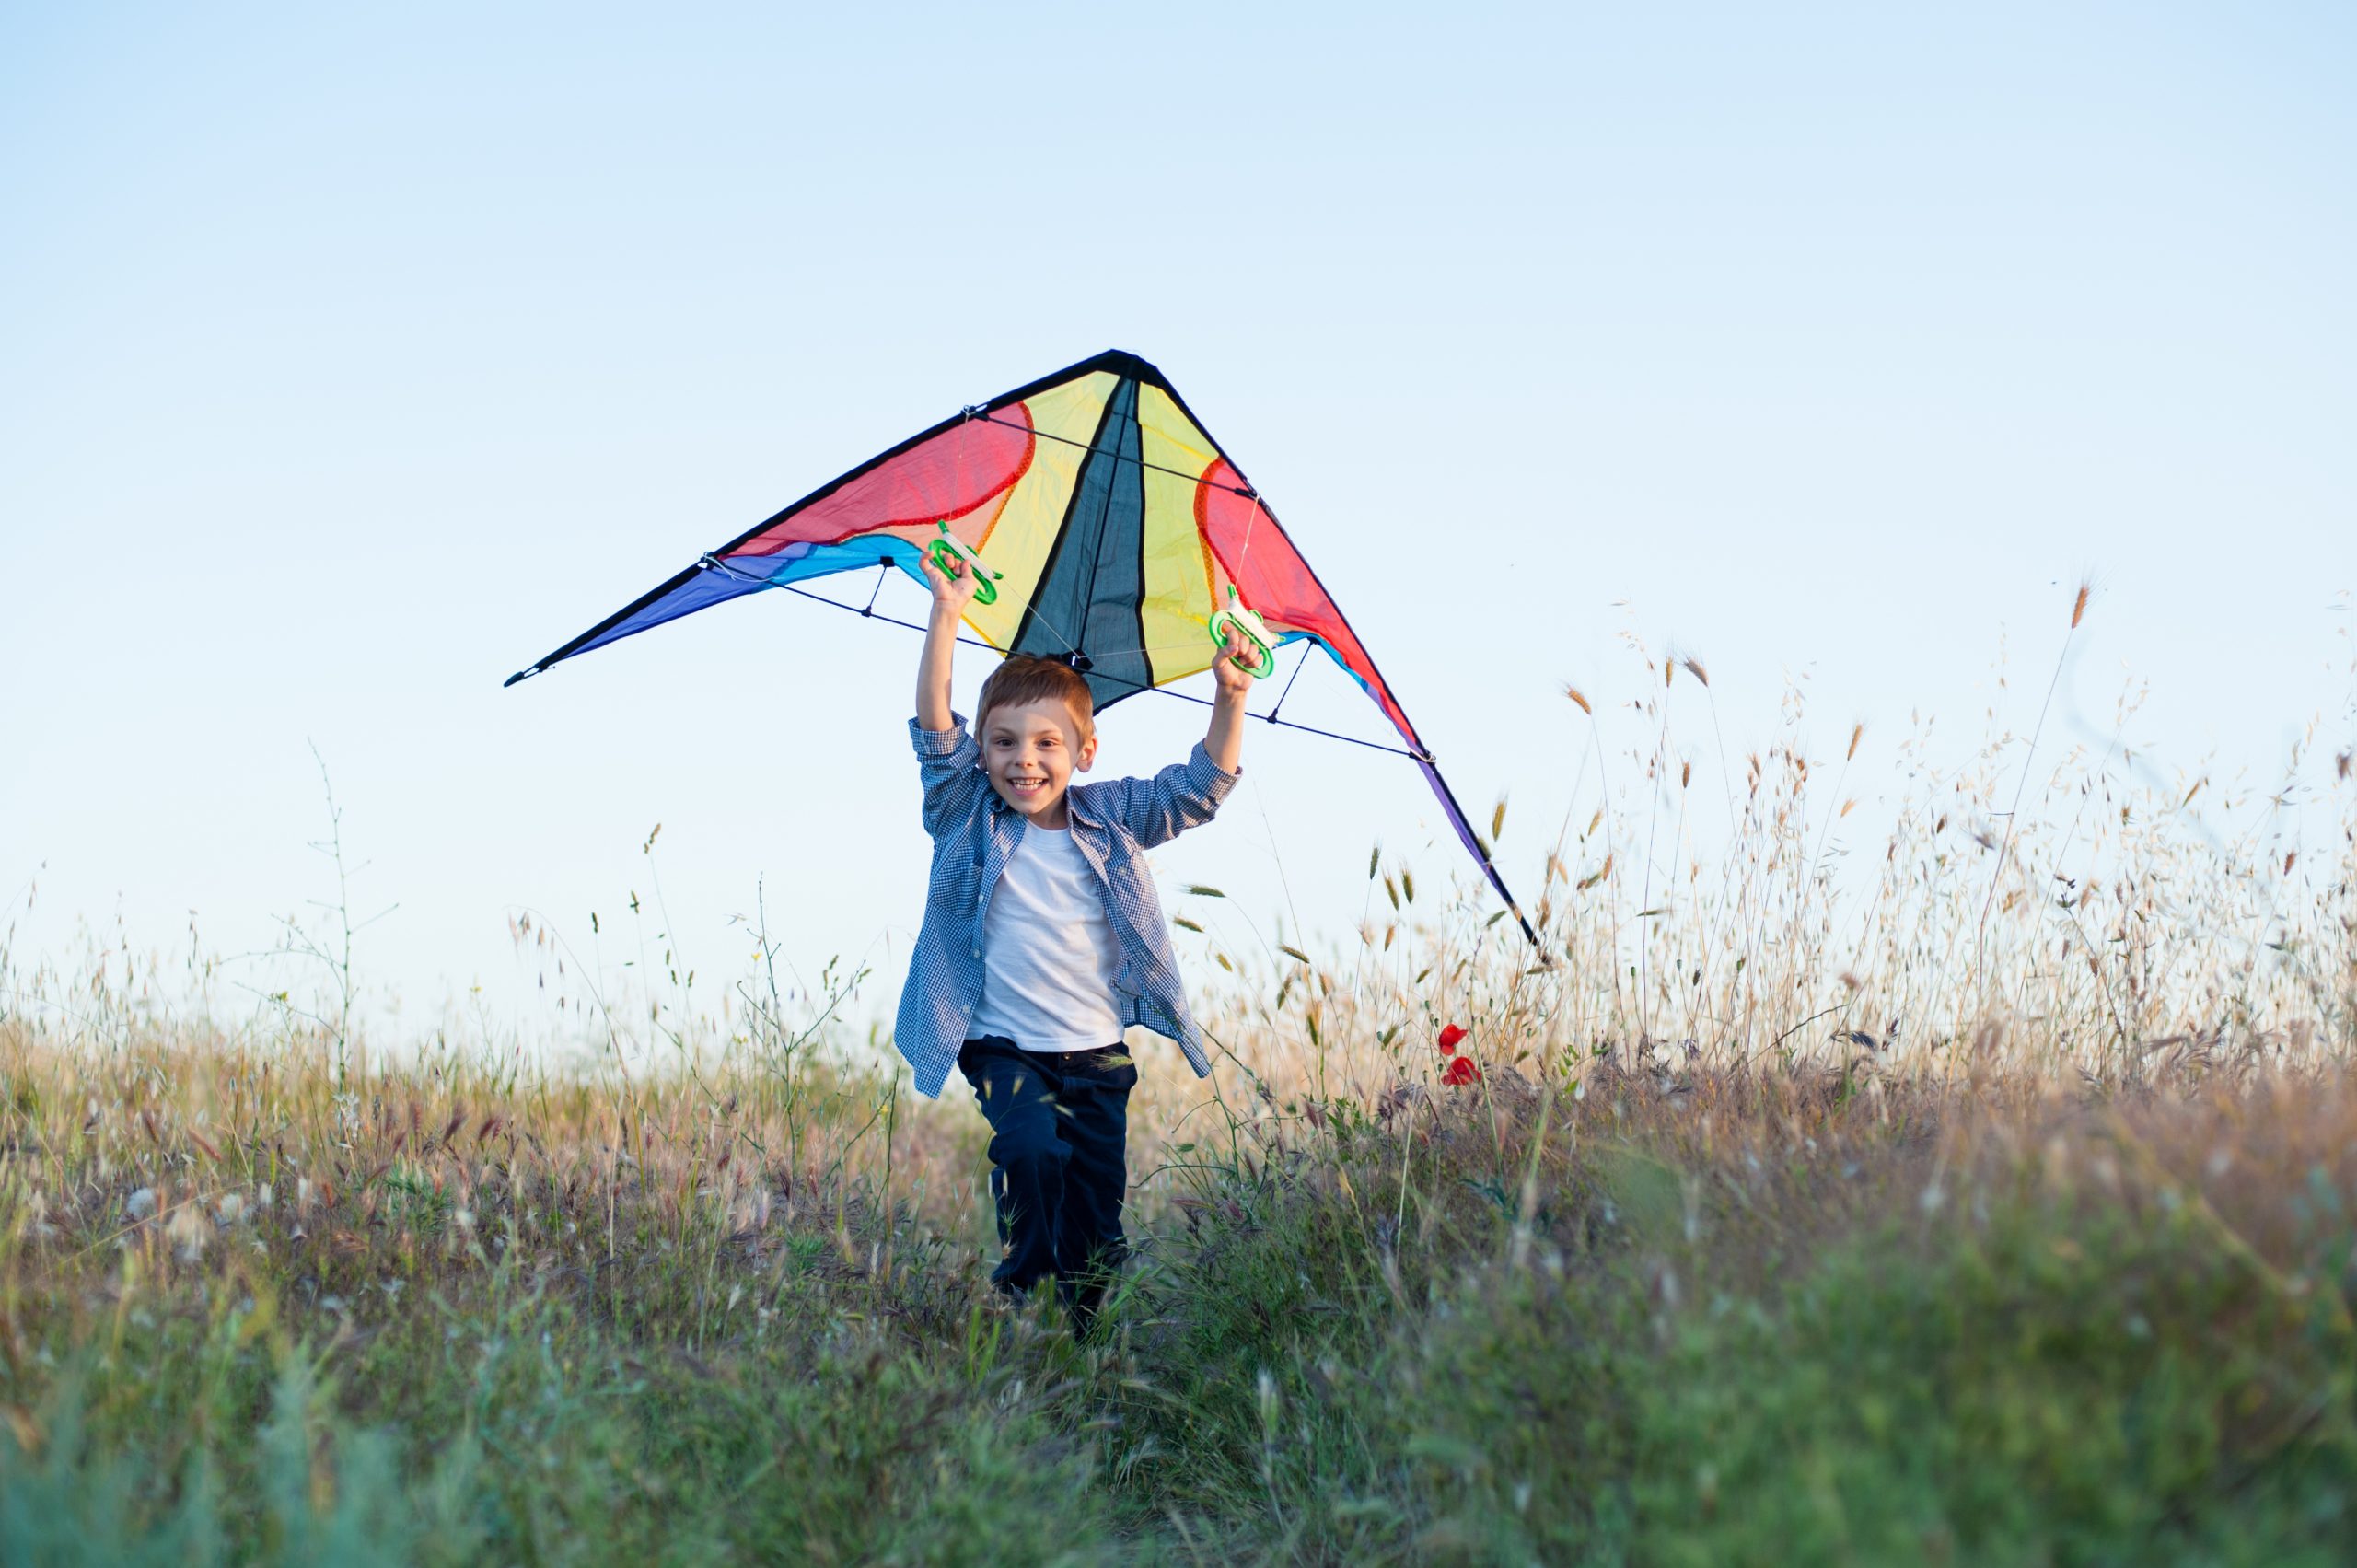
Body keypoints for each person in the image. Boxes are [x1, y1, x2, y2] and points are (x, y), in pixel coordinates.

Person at [898, 542, 1255, 1330]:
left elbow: (1199, 790)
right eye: (1003, 742)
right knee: (1028, 1151)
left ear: (1084, 751)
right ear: (983, 751)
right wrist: (947, 612)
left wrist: (1228, 695)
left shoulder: (1112, 817)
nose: (1023, 761)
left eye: (1045, 743)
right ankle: (1023, 1283)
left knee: (1097, 1223)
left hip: (1097, 1057)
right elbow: (934, 732)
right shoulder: (967, 815)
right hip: (1003, 1046)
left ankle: (1087, 1333)